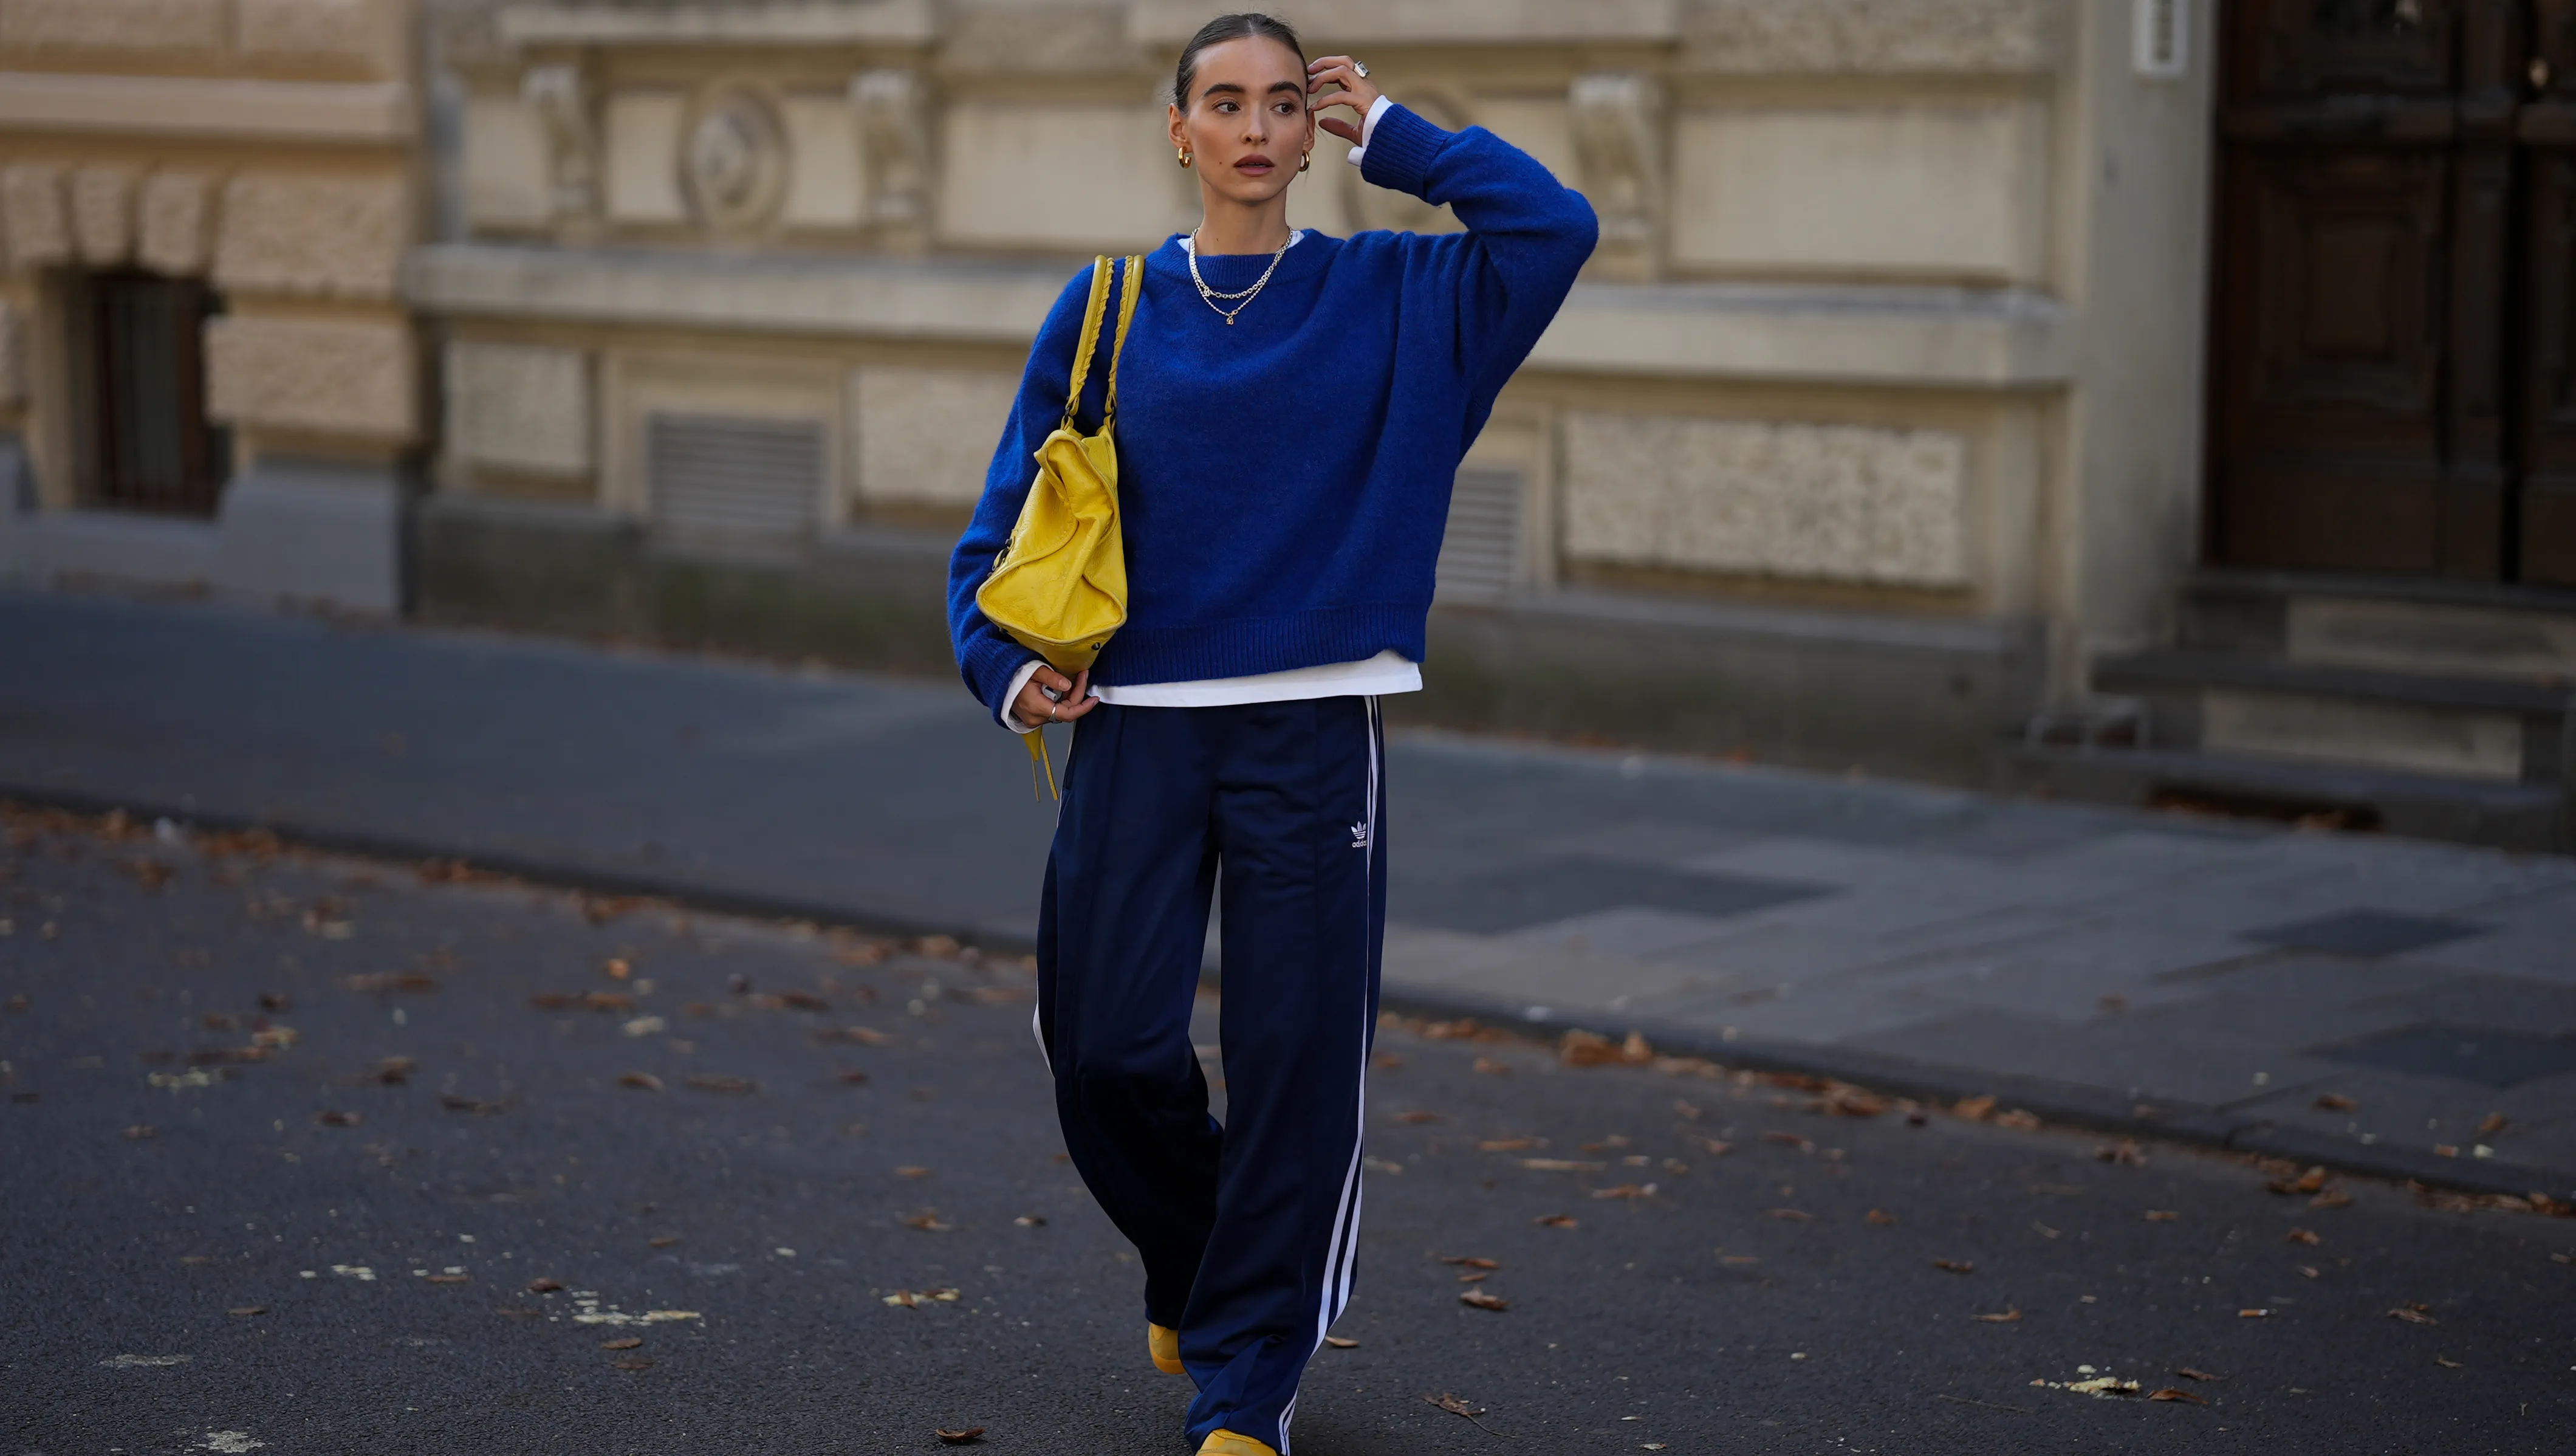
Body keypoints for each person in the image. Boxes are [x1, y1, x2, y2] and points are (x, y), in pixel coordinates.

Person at [947, 13, 1596, 1454]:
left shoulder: (1398, 298)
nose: (1254, 128)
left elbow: (1554, 228)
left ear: (1315, 133)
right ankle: (1199, 1262)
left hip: (1310, 728)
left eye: (1286, 105)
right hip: (1135, 721)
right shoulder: (1110, 305)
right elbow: (1007, 519)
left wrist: (1403, 138)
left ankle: (1246, 1385)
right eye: (1223, 103)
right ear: (1177, 131)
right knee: (1104, 1048)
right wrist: (998, 660)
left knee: (1297, 1060)